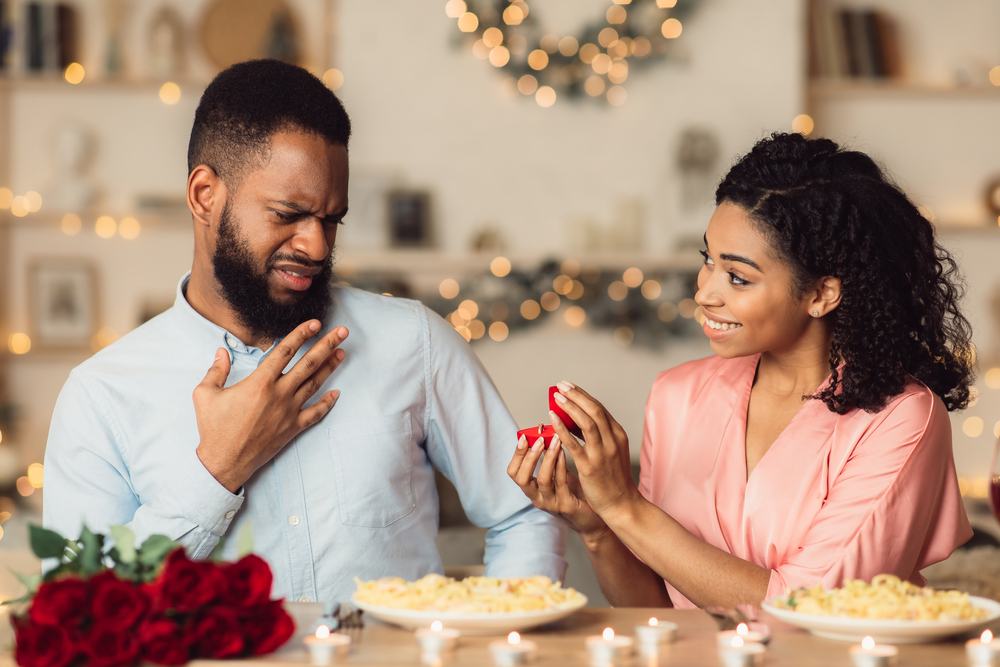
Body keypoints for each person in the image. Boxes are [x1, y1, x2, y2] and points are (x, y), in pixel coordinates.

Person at [43, 59, 565, 602]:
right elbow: (81, 611)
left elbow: (525, 511)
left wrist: (505, 644)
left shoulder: (414, 343)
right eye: (287, 214)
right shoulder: (102, 395)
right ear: (204, 196)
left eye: (331, 219)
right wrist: (217, 472)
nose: (316, 246)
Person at [508, 132, 974, 609]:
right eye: (707, 260)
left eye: (738, 277)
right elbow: (657, 611)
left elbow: (808, 612)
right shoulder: (678, 395)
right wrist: (599, 530)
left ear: (821, 295)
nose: (706, 292)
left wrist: (624, 507)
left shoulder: (901, 419)